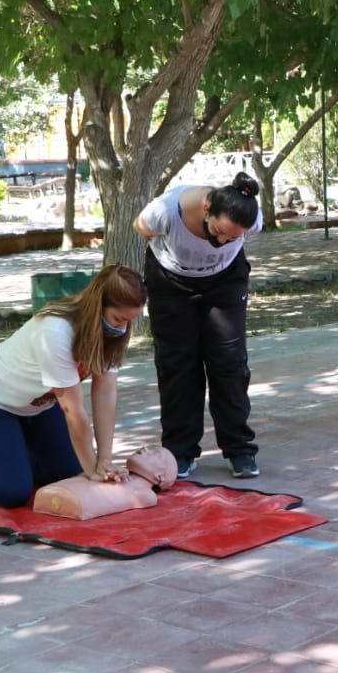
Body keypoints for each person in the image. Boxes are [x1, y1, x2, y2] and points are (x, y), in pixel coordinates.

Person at [0, 264, 147, 508]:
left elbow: (106, 393)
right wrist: (93, 470)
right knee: (11, 492)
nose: (121, 328)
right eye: (118, 319)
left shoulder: (111, 335)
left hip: (36, 407)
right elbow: (72, 411)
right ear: (98, 305)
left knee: (66, 474)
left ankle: (9, 453)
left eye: (129, 321)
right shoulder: (56, 330)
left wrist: (104, 460)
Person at [134, 172, 263, 479]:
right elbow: (141, 229)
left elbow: (233, 236)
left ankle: (240, 449)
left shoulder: (250, 216)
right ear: (207, 209)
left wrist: (229, 243)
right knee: (178, 364)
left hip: (225, 283)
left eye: (233, 238)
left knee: (230, 363)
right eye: (219, 232)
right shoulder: (165, 211)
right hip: (171, 283)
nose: (222, 242)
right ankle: (180, 451)